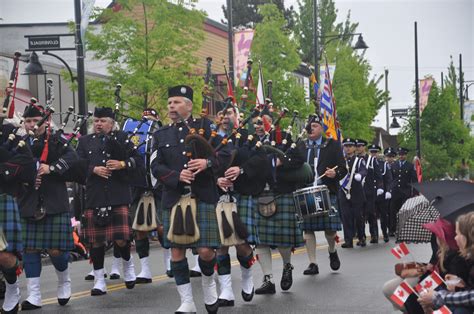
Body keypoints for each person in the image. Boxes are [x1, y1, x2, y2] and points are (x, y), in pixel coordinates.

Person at [151, 85, 231, 313]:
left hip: (203, 195)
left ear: (189, 105)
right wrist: (177, 176)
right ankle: (186, 301)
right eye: (169, 103)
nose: (171, 107)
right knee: (177, 251)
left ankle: (208, 282)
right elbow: (156, 166)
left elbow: (226, 153)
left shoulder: (208, 127)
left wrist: (207, 163)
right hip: (175, 198)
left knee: (206, 251)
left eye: (176, 102)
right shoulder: (161, 134)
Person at [17, 105, 78, 310]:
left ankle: (64, 280)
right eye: (29, 121)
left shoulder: (56, 140)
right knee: (30, 249)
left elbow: (72, 157)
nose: (33, 125)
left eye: (36, 120)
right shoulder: (19, 144)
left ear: (45, 122)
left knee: (55, 250)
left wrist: (51, 168)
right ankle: (34, 295)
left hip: (53, 200)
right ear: (24, 124)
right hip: (28, 201)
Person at [77, 107, 143, 296]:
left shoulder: (122, 138)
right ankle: (99, 280)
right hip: (95, 196)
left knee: (122, 240)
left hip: (118, 194)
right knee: (96, 242)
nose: (98, 123)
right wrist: (93, 169)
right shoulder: (84, 142)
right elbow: (77, 166)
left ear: (112, 123)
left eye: (103, 120)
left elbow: (137, 161)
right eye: (96, 120)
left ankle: (128, 265)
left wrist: (122, 164)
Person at [252, 109, 306, 295]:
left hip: (281, 192)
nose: (259, 126)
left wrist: (282, 161)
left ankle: (287, 265)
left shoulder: (284, 137)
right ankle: (268, 279)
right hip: (258, 193)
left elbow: (300, 159)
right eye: (256, 123)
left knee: (282, 240)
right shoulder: (251, 140)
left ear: (272, 122)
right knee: (260, 241)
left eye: (262, 122)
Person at [215, 105, 264, 306]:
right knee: (220, 244)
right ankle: (226, 290)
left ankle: (247, 276)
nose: (225, 117)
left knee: (241, 243)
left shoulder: (248, 137)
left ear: (237, 117)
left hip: (242, 194)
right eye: (222, 114)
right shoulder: (210, 138)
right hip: (217, 195)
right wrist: (216, 180)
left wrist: (241, 170)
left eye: (229, 113)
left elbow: (261, 161)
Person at [299, 114, 347, 275]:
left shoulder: (332, 145)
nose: (310, 129)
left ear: (322, 128)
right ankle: (313, 263)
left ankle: (332, 250)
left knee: (329, 230)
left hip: (326, 191)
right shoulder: (301, 145)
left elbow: (342, 168)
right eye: (309, 126)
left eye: (314, 126)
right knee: (307, 230)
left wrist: (335, 173)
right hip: (305, 191)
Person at [0, 121, 36, 313]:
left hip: (3, 197)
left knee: (4, 255)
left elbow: (29, 167)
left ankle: (12, 287)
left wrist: (4, 167)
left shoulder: (10, 133)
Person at [418, 212, 474, 313]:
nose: (455, 237)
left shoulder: (457, 258)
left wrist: (437, 297)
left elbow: (471, 296)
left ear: (467, 237)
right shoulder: (442, 252)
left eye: (458, 234)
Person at [339, 138, 367, 248]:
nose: (348, 148)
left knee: (358, 216)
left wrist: (360, 174)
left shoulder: (359, 160)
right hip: (343, 191)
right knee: (346, 217)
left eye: (350, 146)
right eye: (346, 146)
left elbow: (364, 170)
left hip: (356, 192)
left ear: (354, 148)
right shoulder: (341, 161)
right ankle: (348, 240)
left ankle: (361, 237)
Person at [356, 140, 383, 244]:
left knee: (371, 214)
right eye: (357, 146)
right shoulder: (355, 160)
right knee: (359, 215)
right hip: (357, 192)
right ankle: (361, 237)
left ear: (364, 147)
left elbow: (378, 175)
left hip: (369, 191)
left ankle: (374, 235)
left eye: (360, 146)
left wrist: (380, 187)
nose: (358, 148)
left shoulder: (371, 160)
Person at [389, 147, 417, 236]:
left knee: (404, 211)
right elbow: (390, 179)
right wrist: (389, 189)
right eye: (400, 154)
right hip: (395, 191)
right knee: (393, 210)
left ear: (406, 155)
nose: (401, 156)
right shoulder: (394, 165)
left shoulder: (410, 166)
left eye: (403, 155)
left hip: (405, 191)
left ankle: (404, 229)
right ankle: (392, 229)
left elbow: (414, 180)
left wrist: (415, 192)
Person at [377, 147, 395, 243]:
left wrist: (389, 190)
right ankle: (377, 234)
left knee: (389, 213)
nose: (389, 158)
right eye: (387, 156)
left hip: (392, 193)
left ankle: (390, 230)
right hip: (378, 193)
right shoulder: (381, 164)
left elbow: (390, 180)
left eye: (391, 156)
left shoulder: (391, 165)